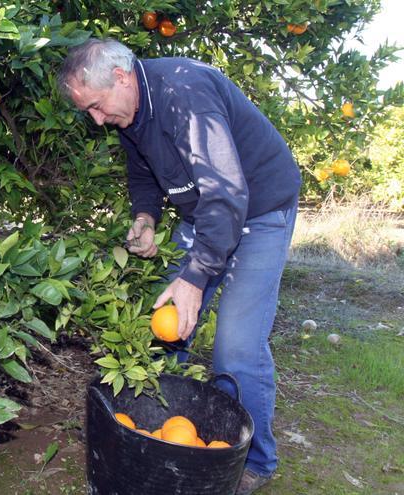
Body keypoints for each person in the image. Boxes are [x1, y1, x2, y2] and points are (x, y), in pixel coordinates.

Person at [58, 39, 301, 495]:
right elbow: (142, 169)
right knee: (166, 330)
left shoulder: (184, 93)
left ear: (121, 77)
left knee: (237, 348)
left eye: (96, 106)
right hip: (206, 214)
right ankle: (173, 430)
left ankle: (255, 460)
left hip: (260, 211)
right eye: (86, 112)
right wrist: (145, 217)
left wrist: (195, 275)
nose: (96, 119)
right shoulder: (129, 110)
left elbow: (227, 193)